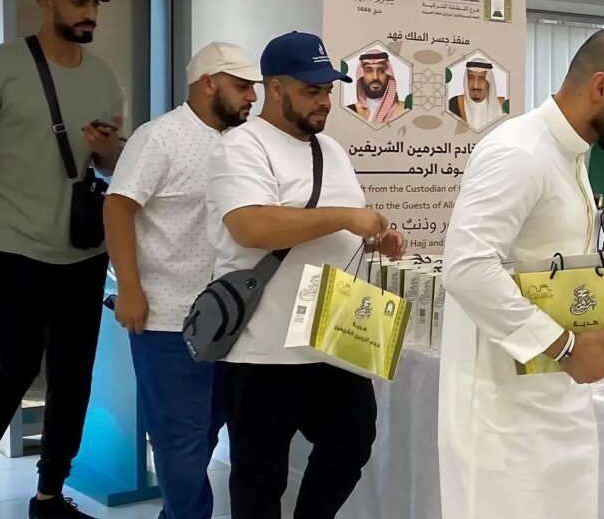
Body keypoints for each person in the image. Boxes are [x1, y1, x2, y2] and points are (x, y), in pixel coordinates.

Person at [438, 28, 604, 519]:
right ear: (600, 87)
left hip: (555, 403)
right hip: (502, 416)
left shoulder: (570, 155)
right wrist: (566, 347)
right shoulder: (520, 153)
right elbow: (467, 267)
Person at [0, 0, 124, 519]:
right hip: (10, 248)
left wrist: (107, 152)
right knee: (14, 369)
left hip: (82, 252)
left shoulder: (103, 77)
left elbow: (111, 164)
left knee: (73, 378)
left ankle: (48, 495)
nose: (90, 8)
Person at [207, 31, 406, 519]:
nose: (324, 102)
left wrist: (376, 237)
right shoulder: (242, 145)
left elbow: (340, 227)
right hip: (264, 351)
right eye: (311, 91)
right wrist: (344, 218)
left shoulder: (331, 150)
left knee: (353, 441)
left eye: (328, 91)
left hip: (333, 341)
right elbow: (251, 226)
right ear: (275, 88)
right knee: (260, 480)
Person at [104, 42, 261, 519]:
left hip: (234, 321)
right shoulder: (159, 138)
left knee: (206, 435)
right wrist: (130, 289)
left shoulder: (245, 143)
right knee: (181, 444)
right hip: (169, 319)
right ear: (208, 83)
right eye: (242, 86)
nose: (251, 97)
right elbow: (117, 207)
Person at [346, 48, 405, 124]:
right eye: (368, 71)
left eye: (381, 71)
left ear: (388, 75)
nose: (375, 77)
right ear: (361, 75)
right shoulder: (349, 111)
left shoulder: (404, 109)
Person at [448, 57, 507, 130]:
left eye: (481, 79)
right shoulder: (454, 104)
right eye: (471, 78)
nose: (475, 85)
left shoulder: (502, 106)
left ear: (489, 82)